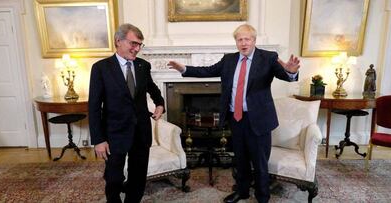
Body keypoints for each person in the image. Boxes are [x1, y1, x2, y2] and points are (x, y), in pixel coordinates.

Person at [168, 24, 300, 203]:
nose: (243, 43)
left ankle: (263, 197)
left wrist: (291, 72)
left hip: (259, 119)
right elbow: (207, 71)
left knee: (260, 162)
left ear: (254, 40)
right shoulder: (229, 60)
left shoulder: (268, 58)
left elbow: (284, 74)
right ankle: (242, 191)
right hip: (236, 118)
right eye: (240, 40)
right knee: (240, 159)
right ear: (236, 42)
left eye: (247, 39)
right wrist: (184, 69)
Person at [88, 23, 165, 203]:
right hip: (114, 133)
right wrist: (98, 139)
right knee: (114, 178)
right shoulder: (101, 68)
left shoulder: (143, 66)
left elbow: (153, 89)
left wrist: (160, 104)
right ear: (118, 41)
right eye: (133, 43)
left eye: (139, 45)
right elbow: (93, 106)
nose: (137, 49)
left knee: (138, 177)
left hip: (141, 132)